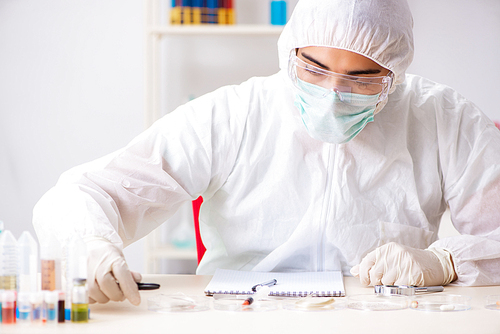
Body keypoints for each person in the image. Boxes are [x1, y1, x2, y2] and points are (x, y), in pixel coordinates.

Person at [33, 0, 500, 306]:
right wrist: (89, 243)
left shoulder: (442, 119)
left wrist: (446, 261)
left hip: (386, 317)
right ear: (289, 51)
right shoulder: (234, 115)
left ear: (393, 73)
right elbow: (85, 193)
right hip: (242, 316)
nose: (333, 94)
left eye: (361, 80)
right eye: (314, 68)